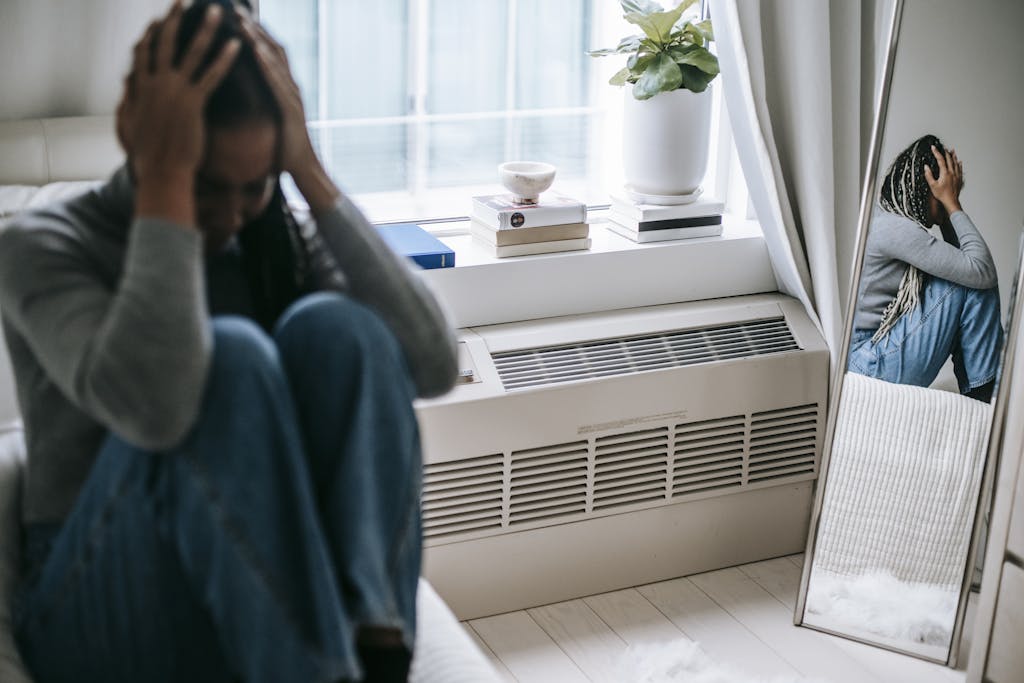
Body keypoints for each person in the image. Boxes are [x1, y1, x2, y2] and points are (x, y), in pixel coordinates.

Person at [0, 1, 458, 681]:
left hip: (251, 587)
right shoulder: (43, 243)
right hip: (91, 598)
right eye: (207, 185)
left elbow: (433, 363)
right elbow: (157, 407)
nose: (232, 216)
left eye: (256, 186)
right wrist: (165, 186)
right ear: (142, 134)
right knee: (233, 356)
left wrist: (308, 172)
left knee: (342, 330)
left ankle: (376, 649)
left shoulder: (275, 240)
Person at [848, 134, 1002, 402]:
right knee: (973, 284)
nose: (949, 198)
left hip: (868, 358)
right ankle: (986, 395)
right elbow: (980, 270)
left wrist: (948, 210)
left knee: (971, 279)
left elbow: (968, 264)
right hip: (868, 365)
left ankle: (984, 393)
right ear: (928, 187)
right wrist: (951, 205)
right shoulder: (896, 229)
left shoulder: (887, 217)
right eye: (944, 191)